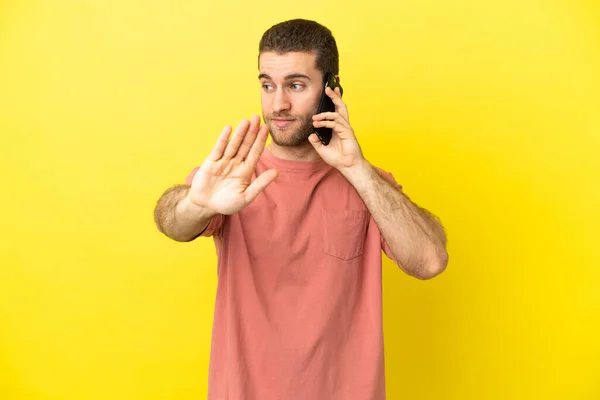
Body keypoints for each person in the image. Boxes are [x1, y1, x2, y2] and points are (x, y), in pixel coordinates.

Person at [154, 18, 448, 400]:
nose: (278, 103)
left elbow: (430, 261)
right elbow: (170, 222)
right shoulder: (233, 176)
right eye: (267, 85)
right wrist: (195, 203)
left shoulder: (367, 183)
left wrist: (358, 171)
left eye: (295, 85)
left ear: (331, 91)